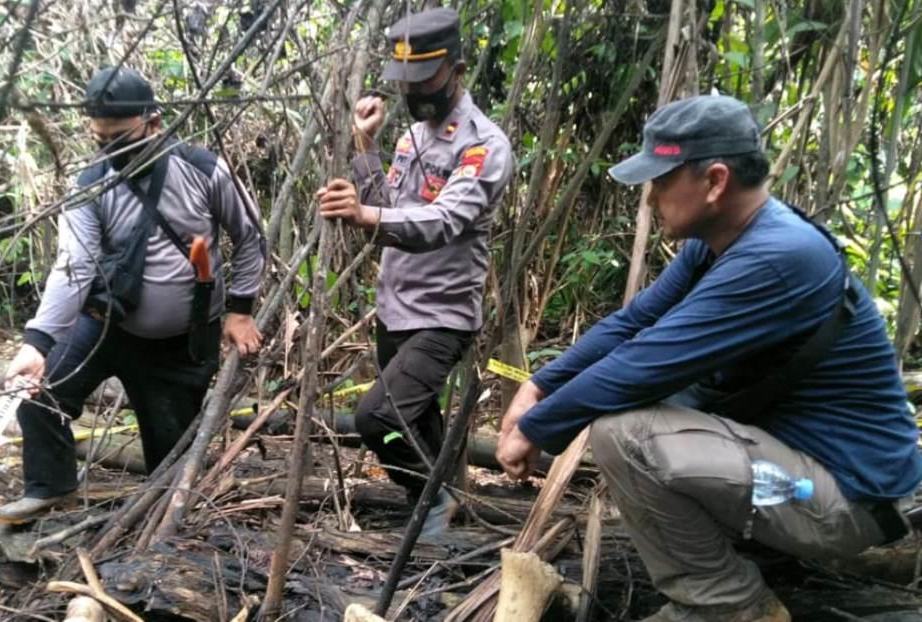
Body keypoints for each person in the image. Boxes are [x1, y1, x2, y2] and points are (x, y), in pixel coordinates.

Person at [496, 95, 922, 621]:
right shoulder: (720, 241)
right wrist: (537, 387)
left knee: (625, 436)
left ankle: (727, 606)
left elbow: (643, 363)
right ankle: (744, 560)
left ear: (715, 181)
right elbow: (635, 322)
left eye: (661, 180)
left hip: (842, 499)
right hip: (801, 475)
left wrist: (536, 428)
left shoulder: (778, 257)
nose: (650, 197)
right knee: (658, 410)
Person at [0, 66, 265, 523]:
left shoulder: (202, 169)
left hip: (178, 343)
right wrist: (37, 343)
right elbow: (74, 266)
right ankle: (50, 486)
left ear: (155, 122)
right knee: (39, 393)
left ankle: (160, 518)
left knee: (168, 461)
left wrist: (240, 310)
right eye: (101, 140)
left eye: (121, 138)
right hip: (106, 324)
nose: (111, 151)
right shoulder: (90, 185)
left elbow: (251, 236)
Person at [316, 8, 513, 534]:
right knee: (420, 429)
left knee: (376, 419)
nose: (412, 91)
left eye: (423, 78)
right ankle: (440, 531)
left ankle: (433, 503)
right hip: (394, 308)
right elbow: (389, 215)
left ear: (457, 68)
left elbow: (443, 222)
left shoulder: (483, 145)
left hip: (441, 316)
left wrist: (365, 213)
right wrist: (366, 147)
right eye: (404, 81)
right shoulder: (413, 139)